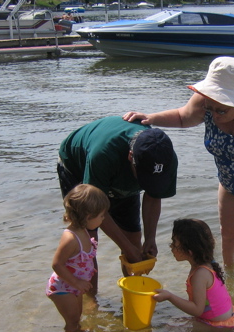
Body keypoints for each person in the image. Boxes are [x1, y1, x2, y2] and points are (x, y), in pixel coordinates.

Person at [123, 56, 234, 285]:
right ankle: (229, 282)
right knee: (228, 237)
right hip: (231, 182)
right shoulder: (206, 100)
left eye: (222, 111)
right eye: (211, 109)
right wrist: (150, 117)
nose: (214, 116)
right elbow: (182, 117)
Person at [57, 116, 178, 293]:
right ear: (131, 157)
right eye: (144, 177)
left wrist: (150, 238)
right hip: (78, 168)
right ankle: (92, 301)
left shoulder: (165, 158)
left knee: (134, 239)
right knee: (87, 243)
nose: (147, 183)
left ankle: (131, 293)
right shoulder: (103, 154)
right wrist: (128, 249)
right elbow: (95, 209)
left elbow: (154, 195)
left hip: (120, 176)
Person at [46, 184, 110, 332]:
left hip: (75, 286)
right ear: (88, 217)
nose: (103, 218)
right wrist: (76, 282)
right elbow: (57, 264)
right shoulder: (71, 238)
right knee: (72, 320)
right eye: (101, 215)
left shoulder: (84, 231)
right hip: (63, 288)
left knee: (77, 316)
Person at [153, 218, 234, 328]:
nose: (171, 247)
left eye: (174, 243)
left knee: (170, 326)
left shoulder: (200, 274)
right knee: (176, 322)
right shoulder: (206, 264)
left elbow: (197, 310)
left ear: (189, 251)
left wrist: (170, 296)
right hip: (229, 317)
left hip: (219, 327)